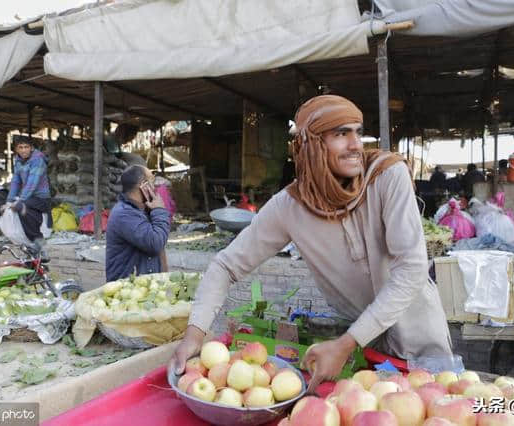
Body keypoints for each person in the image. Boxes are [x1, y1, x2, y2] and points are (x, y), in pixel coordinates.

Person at [170, 95, 452, 391]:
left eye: (357, 131)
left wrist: (345, 344)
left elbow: (411, 270)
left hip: (421, 341)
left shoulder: (386, 176)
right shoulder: (289, 208)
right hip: (370, 350)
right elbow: (226, 265)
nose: (356, 144)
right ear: (311, 145)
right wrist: (194, 335)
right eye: (341, 134)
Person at [105, 165, 171, 282]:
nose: (155, 186)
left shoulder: (144, 208)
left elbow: (160, 248)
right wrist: (160, 211)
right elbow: (155, 243)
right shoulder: (124, 214)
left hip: (145, 286)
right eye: (152, 181)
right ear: (144, 185)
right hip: (126, 290)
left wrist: (165, 279)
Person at [5, 139, 52, 250]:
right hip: (29, 198)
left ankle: (37, 239)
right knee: (22, 210)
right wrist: (9, 200)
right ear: (16, 149)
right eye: (20, 147)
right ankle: (32, 240)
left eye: (26, 147)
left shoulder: (38, 160)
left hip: (42, 199)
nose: (23, 150)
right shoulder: (18, 160)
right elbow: (16, 181)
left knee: (21, 206)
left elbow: (32, 183)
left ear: (31, 148)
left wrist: (20, 200)